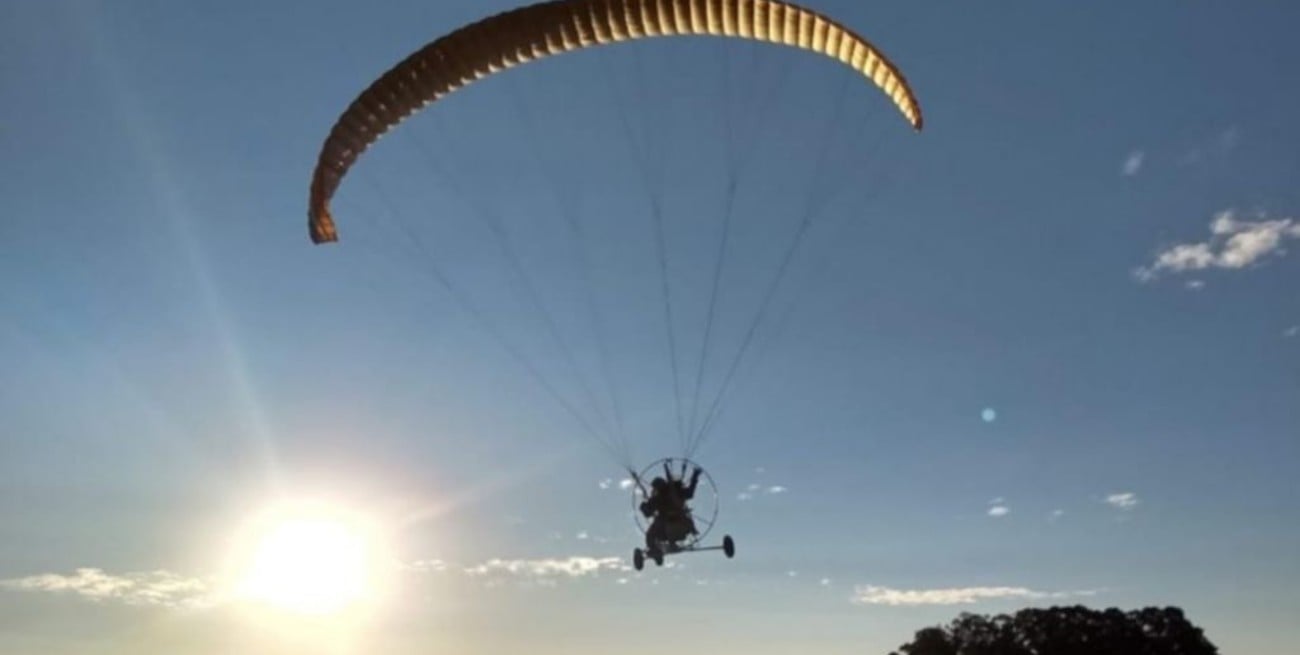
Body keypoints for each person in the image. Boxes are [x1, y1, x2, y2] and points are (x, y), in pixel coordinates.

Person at [639, 463, 702, 553]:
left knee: (650, 535)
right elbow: (690, 493)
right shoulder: (678, 492)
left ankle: (654, 549)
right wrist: (695, 476)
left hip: (666, 527)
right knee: (656, 532)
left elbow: (648, 513)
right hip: (683, 525)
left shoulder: (657, 499)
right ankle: (665, 546)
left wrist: (643, 507)